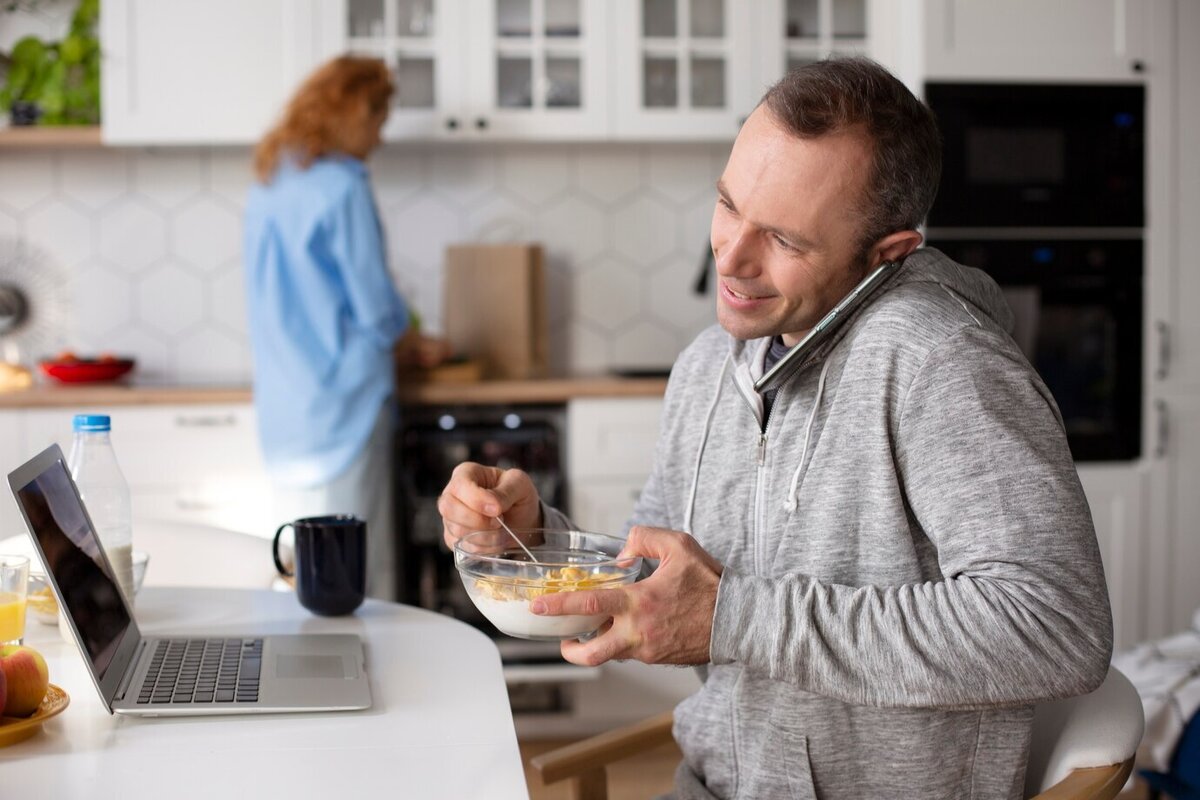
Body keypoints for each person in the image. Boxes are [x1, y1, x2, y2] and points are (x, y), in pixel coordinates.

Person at [439, 57, 1113, 799]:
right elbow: (663, 582)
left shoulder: (942, 366)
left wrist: (736, 619)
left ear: (886, 253)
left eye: (785, 242)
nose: (729, 257)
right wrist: (531, 540)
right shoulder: (708, 366)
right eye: (728, 205)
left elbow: (1057, 629)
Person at [244, 55, 446, 601]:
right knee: (358, 575)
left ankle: (307, 681)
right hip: (345, 405)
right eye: (378, 121)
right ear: (354, 113)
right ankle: (365, 684)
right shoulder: (343, 186)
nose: (379, 138)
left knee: (296, 571)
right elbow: (375, 307)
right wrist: (413, 341)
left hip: (287, 410)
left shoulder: (271, 179)